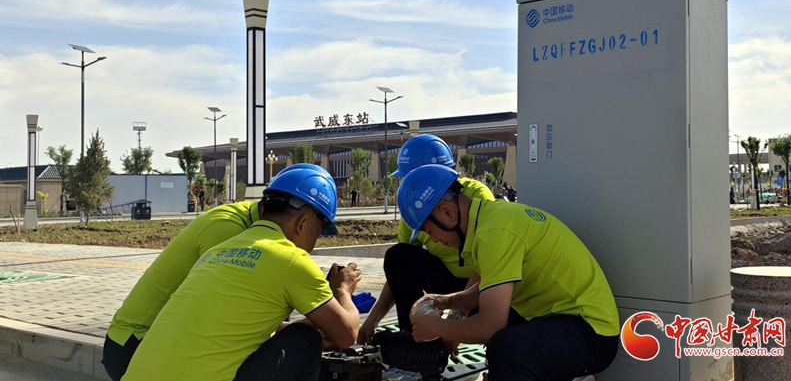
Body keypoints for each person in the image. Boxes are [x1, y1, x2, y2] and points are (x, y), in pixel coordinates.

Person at [123, 166, 361, 381]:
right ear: (302, 223)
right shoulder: (292, 259)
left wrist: (317, 320)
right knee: (304, 339)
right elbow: (347, 335)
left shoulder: (218, 251)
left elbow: (236, 326)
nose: (313, 245)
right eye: (317, 234)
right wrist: (342, 290)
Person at [398, 165, 619, 380]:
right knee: (499, 333)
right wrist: (446, 301)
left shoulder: (494, 233)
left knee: (507, 348)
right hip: (565, 321)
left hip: (591, 333)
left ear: (447, 212)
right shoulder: (491, 218)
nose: (434, 240)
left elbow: (490, 326)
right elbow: (486, 291)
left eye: (430, 231)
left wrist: (436, 327)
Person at [358, 134, 494, 344]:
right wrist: (373, 318)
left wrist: (456, 320)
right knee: (398, 256)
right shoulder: (414, 208)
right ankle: (413, 338)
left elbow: (490, 264)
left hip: (483, 283)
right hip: (447, 280)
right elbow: (399, 269)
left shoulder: (474, 197)